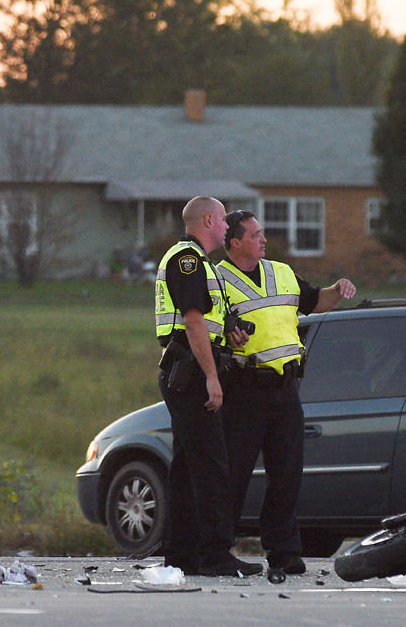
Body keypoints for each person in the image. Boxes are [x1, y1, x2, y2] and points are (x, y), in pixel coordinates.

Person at [216, 210, 356, 578]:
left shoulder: (281, 272)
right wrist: (227, 333)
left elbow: (314, 301)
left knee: (287, 474)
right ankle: (217, 549)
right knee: (234, 474)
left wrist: (337, 289)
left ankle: (284, 552)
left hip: (285, 389)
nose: (264, 239)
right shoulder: (217, 279)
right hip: (244, 388)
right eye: (255, 235)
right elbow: (206, 325)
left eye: (262, 233)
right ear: (235, 243)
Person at [154, 196, 263, 577]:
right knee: (213, 466)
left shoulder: (201, 263)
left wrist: (229, 333)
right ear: (207, 221)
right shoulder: (187, 260)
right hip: (191, 372)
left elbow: (208, 320)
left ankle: (181, 553)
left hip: (190, 369)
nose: (226, 226)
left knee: (187, 468)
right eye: (222, 220)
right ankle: (215, 553)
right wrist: (212, 377)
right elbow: (193, 320)